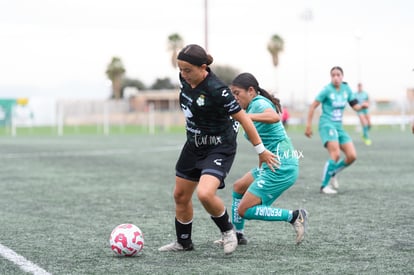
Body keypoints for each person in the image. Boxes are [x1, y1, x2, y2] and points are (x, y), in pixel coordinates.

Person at [158, 44, 278, 254]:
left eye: (188, 70)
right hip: (193, 145)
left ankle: (228, 231)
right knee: (180, 195)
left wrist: (261, 150)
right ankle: (183, 243)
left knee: (205, 193)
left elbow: (244, 119)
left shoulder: (218, 90)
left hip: (219, 147)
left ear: (203, 67)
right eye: (181, 70)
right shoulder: (184, 79)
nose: (184, 75)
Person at [214, 73, 308, 246]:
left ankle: (295, 216)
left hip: (281, 165)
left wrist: (246, 117)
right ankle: (239, 235)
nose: (234, 97)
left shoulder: (258, 103)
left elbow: (274, 117)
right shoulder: (250, 108)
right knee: (239, 186)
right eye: (232, 93)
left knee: (244, 210)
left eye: (237, 93)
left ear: (251, 91)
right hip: (271, 163)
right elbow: (261, 145)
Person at [305, 66, 368, 194]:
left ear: (342, 76)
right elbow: (313, 106)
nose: (336, 77)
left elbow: (355, 105)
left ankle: (333, 172)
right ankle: (324, 186)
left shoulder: (346, 89)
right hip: (326, 125)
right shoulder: (327, 90)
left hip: (339, 127)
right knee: (336, 154)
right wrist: (308, 126)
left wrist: (362, 106)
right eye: (333, 75)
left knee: (352, 156)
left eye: (338, 75)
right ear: (331, 77)